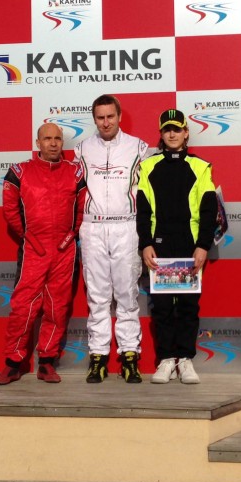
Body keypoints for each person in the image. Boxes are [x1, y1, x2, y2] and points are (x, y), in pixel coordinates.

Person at [0, 123, 87, 385]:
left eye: (58, 138)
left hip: (65, 250)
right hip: (34, 249)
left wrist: (72, 235)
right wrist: (27, 237)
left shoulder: (75, 171)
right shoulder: (20, 171)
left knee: (57, 307)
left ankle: (47, 362)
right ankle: (13, 363)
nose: (54, 143)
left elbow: (82, 209)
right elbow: (9, 209)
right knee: (23, 306)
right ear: (38, 143)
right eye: (48, 138)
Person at [137, 109, 217, 385]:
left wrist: (203, 245)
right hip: (159, 246)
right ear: (161, 134)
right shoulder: (148, 167)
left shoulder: (200, 166)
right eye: (166, 129)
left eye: (177, 129)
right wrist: (145, 243)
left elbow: (209, 210)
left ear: (186, 133)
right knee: (161, 307)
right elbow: (143, 210)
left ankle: (185, 359)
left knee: (186, 305)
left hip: (188, 244)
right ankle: (166, 359)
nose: (172, 134)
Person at [74, 94, 150, 384]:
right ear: (94, 119)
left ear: (119, 116)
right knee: (97, 297)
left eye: (110, 116)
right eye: (100, 117)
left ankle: (130, 356)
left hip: (126, 227)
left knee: (127, 296)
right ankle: (98, 358)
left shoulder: (139, 147)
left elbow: (147, 193)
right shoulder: (82, 149)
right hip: (92, 228)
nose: (105, 122)